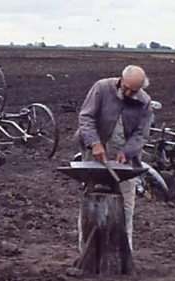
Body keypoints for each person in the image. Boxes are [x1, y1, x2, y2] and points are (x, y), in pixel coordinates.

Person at [74, 65, 154, 253]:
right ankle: (86, 252)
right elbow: (86, 117)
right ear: (120, 79)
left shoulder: (145, 102)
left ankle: (124, 254)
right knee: (90, 202)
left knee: (125, 206)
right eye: (125, 88)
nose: (127, 93)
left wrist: (127, 152)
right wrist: (94, 143)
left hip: (124, 161)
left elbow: (141, 134)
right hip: (94, 156)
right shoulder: (101, 88)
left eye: (133, 91)